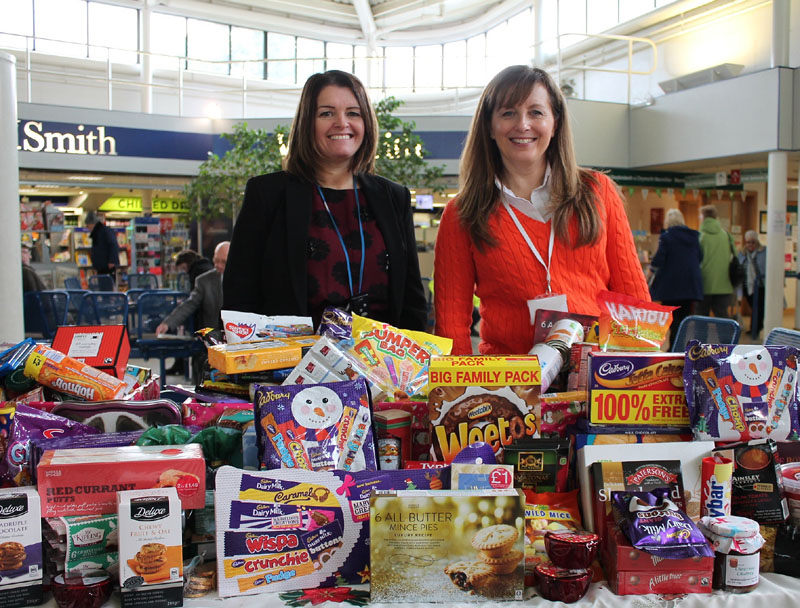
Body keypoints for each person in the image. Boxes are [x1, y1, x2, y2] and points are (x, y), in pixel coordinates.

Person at [434, 65, 649, 355]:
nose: (523, 124)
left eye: (536, 112)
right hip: (509, 388)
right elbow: (452, 328)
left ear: (555, 123)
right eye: (508, 112)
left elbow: (633, 302)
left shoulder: (598, 192)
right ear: (489, 125)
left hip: (594, 380)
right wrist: (464, 393)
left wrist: (630, 382)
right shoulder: (462, 212)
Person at [223, 70, 427, 331]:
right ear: (308, 122)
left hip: (380, 365)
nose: (342, 123)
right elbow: (239, 296)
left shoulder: (393, 198)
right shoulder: (268, 195)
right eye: (327, 113)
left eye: (353, 113)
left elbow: (412, 300)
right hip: (292, 365)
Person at [156, 241, 229, 382]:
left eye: (223, 262)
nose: (218, 266)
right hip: (212, 342)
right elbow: (189, 304)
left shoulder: (246, 278)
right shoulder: (204, 281)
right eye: (216, 261)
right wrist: (168, 323)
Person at [648, 209, 703, 351]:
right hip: (690, 283)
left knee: (672, 318)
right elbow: (700, 256)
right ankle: (681, 346)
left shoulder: (667, 237)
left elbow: (659, 259)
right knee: (685, 317)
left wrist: (649, 274)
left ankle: (674, 348)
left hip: (671, 285)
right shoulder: (694, 236)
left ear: (668, 221)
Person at [697, 205, 734, 318]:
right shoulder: (726, 235)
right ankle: (725, 336)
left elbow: (696, 258)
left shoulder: (700, 236)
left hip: (703, 283)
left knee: (701, 317)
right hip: (724, 283)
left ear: (703, 217)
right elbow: (734, 255)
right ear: (716, 217)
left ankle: (703, 337)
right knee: (722, 317)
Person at [739, 229, 766, 335]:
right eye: (748, 242)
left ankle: (756, 328)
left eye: (753, 242)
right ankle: (756, 327)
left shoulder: (763, 252)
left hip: (760, 285)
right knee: (753, 308)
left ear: (757, 242)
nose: (750, 245)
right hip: (747, 286)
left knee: (759, 308)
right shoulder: (742, 253)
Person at [84, 211, 120, 280]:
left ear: (92, 224)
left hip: (106, 266)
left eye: (88, 225)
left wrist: (112, 261)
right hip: (102, 266)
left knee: (107, 287)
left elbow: (113, 245)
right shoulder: (98, 232)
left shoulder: (103, 232)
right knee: (104, 286)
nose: (88, 228)